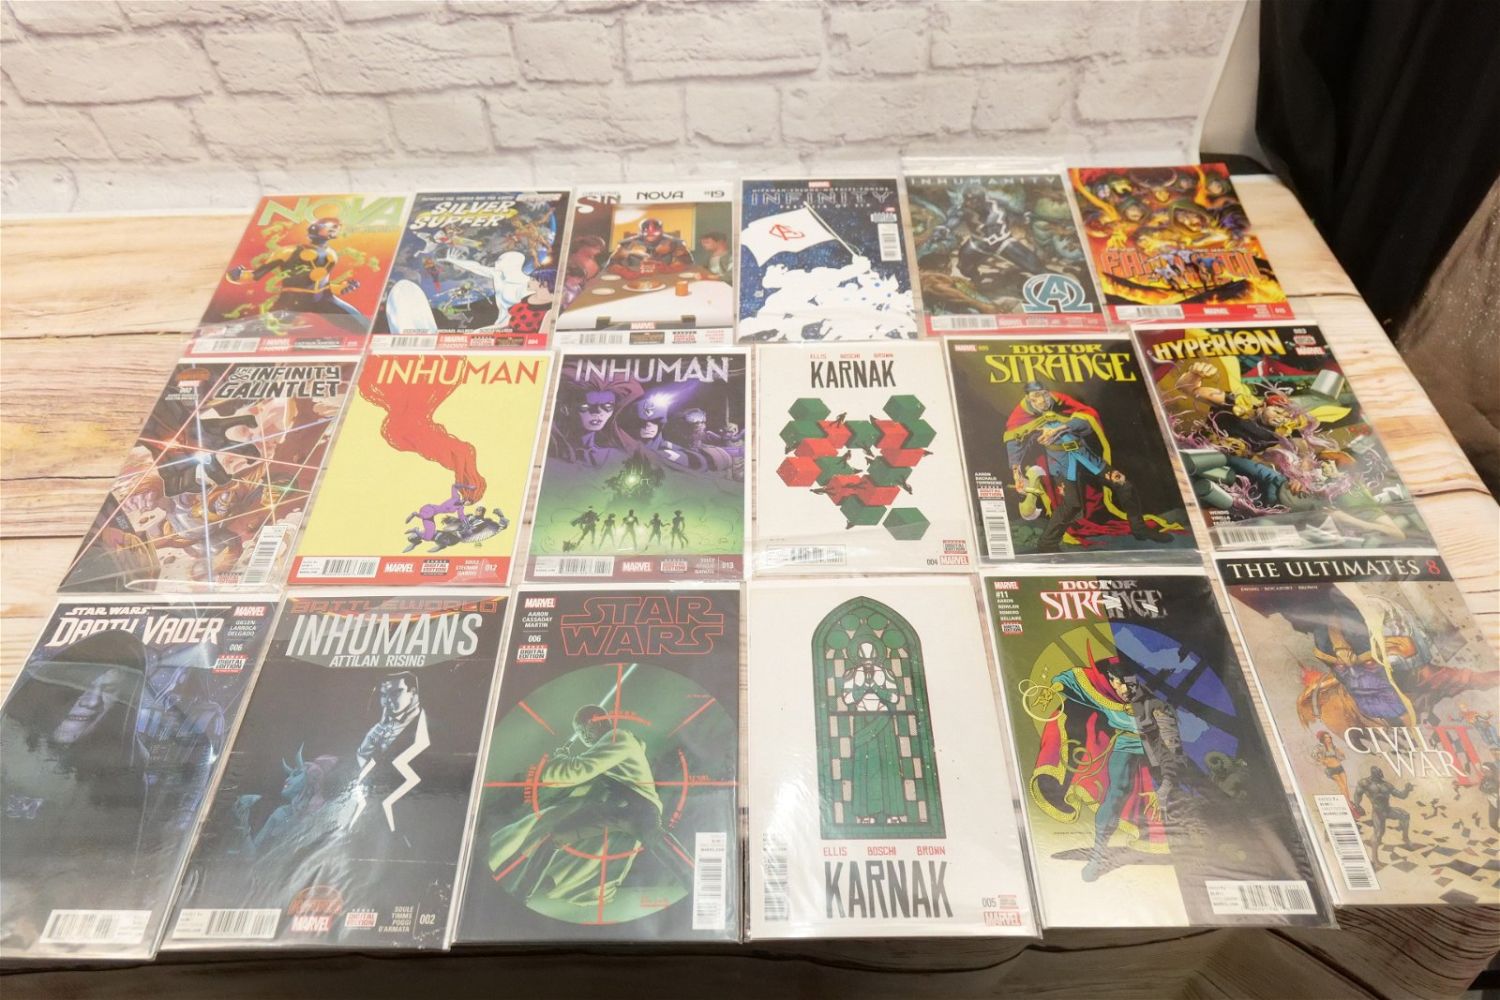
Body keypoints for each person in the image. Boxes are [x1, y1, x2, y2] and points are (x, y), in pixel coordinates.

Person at [486, 705, 690, 907]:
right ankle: (520, 894)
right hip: (616, 811)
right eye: (579, 733)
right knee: (553, 838)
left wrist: (560, 760)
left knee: (658, 840)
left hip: (640, 810)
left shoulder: (618, 738)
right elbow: (584, 772)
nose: (583, 737)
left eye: (584, 729)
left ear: (597, 721)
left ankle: (696, 881)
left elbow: (579, 769)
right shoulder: (612, 743)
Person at [1004, 380, 1171, 552]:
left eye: (1044, 395)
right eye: (1036, 398)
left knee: (1123, 485)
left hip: (1086, 457)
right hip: (1062, 463)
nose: (1042, 401)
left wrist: (1063, 427)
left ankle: (1139, 529)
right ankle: (1047, 543)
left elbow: (1088, 420)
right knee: (1071, 504)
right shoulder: (1021, 416)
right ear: (1028, 398)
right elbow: (1014, 441)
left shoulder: (1060, 401)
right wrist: (1016, 472)